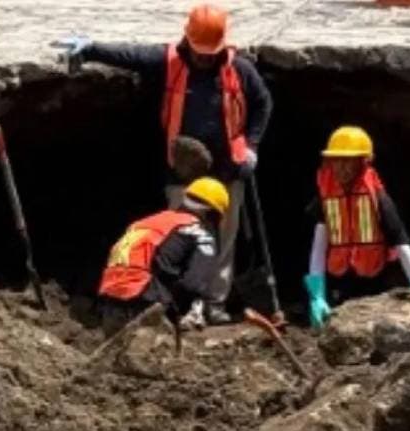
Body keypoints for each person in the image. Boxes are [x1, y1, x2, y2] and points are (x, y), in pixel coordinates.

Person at [66, 3, 273, 325]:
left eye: (209, 51)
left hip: (227, 171)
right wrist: (91, 48)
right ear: (187, 40)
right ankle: (184, 308)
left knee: (223, 242)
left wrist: (252, 147)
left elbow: (262, 103)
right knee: (183, 239)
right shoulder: (170, 62)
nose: (204, 57)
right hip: (184, 173)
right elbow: (131, 56)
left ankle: (213, 305)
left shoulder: (240, 70)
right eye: (199, 50)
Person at [303, 126, 410, 329]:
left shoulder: (378, 199)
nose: (341, 167)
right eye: (336, 160)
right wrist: (317, 295)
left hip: (373, 280)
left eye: (348, 160)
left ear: (362, 162)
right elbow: (318, 246)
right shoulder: (325, 197)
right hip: (340, 280)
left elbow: (401, 242)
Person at [97, 178, 229, 335]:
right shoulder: (200, 234)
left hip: (110, 305)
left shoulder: (144, 223)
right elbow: (193, 285)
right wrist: (176, 314)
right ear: (213, 215)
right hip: (146, 307)